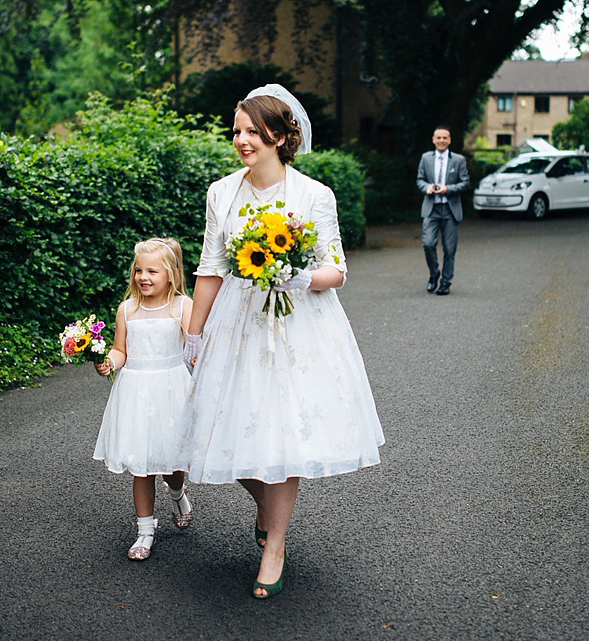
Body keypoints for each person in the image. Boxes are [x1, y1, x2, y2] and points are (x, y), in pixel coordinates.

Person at [178, 85, 384, 598]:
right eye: (237, 131)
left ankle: (275, 547)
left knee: (283, 437)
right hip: (238, 325)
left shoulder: (314, 195)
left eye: (252, 131)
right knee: (217, 435)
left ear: (280, 136)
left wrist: (299, 278)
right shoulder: (221, 193)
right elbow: (209, 269)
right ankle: (267, 509)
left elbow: (336, 270)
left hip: (298, 326)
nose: (242, 140)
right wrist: (194, 333)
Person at [92, 237, 195, 561]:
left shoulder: (181, 306)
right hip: (137, 390)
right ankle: (145, 530)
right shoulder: (127, 309)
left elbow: (193, 348)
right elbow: (121, 349)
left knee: (172, 462)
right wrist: (110, 361)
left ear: (171, 274)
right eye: (139, 270)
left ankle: (177, 492)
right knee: (142, 466)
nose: (143, 277)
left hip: (171, 389)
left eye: (152, 271)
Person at [416, 126, 470, 296]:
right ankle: (434, 274)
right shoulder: (425, 158)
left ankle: (445, 283)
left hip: (450, 209)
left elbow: (465, 183)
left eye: (445, 138)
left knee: (449, 249)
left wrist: (448, 188)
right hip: (431, 208)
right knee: (428, 243)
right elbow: (420, 180)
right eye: (438, 137)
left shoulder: (458, 160)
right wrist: (427, 188)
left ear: (449, 140)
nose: (441, 141)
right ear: (433, 140)